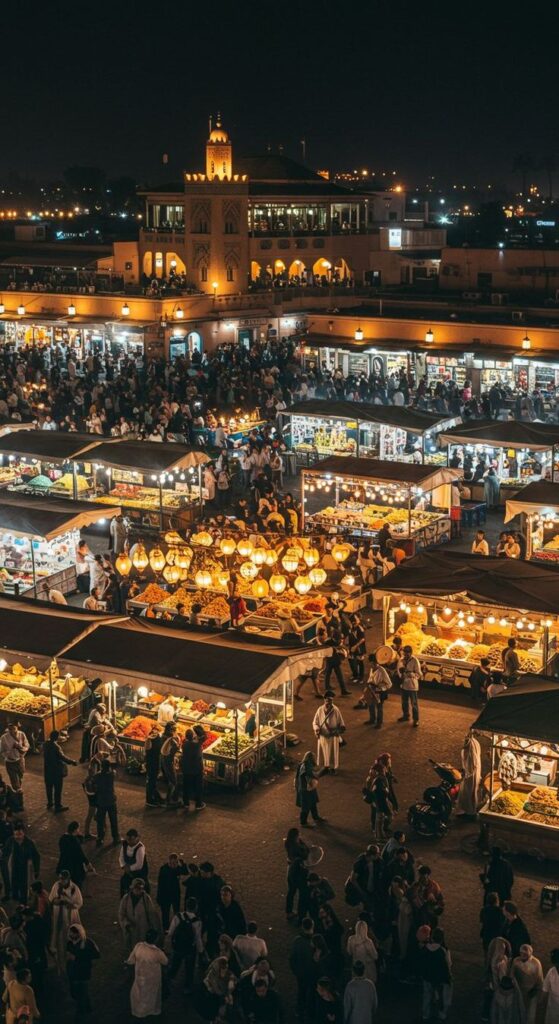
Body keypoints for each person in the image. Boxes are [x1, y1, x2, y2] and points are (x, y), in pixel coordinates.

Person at [127, 927, 168, 1019]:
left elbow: (131, 960)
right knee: (152, 995)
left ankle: (139, 1011)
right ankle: (152, 1011)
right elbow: (165, 961)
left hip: (140, 976)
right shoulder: (157, 952)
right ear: (155, 939)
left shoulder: (138, 946)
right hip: (153, 978)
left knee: (139, 994)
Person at [49, 870, 83, 972]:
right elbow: (51, 899)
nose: (60, 881)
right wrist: (58, 901)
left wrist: (70, 904)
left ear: (68, 879)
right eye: (59, 878)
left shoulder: (74, 888)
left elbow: (79, 903)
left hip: (69, 915)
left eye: (62, 879)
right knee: (57, 934)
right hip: (57, 914)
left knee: (71, 934)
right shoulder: (56, 885)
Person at [168, 895, 204, 991]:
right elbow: (197, 938)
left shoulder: (178, 916)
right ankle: (187, 988)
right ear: (196, 907)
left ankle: (167, 981)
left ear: (186, 906)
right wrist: (201, 951)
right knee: (189, 969)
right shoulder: (197, 921)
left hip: (178, 946)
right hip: (190, 949)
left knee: (174, 965)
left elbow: (171, 932)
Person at [418, 926, 453, 1022]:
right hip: (439, 978)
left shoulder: (425, 949)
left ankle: (425, 1014)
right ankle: (442, 1014)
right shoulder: (443, 951)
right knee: (441, 997)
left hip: (427, 976)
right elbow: (448, 965)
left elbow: (421, 962)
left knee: (427, 995)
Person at [118, 878, 161, 955]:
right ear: (132, 888)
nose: (138, 890)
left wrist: (155, 929)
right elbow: (121, 914)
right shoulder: (126, 899)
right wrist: (126, 924)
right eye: (136, 888)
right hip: (130, 930)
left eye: (140, 888)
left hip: (143, 930)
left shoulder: (146, 899)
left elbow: (152, 915)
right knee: (132, 950)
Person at [66, 923, 100, 1017]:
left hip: (83, 971)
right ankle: (88, 1008)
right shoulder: (70, 943)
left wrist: (78, 957)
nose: (71, 935)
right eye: (70, 932)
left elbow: (96, 955)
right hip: (72, 971)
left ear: (78, 933)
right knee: (76, 992)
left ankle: (81, 1011)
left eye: (73, 933)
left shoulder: (87, 943)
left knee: (81, 991)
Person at [1, 823, 40, 902]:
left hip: (24, 867)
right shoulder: (10, 841)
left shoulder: (29, 843)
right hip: (13, 866)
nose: (17, 837)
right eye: (16, 834)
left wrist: (36, 870)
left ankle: (23, 899)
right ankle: (12, 895)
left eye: (20, 834)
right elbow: (5, 852)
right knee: (12, 881)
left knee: (24, 884)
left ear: (24, 833)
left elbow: (36, 856)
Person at [43, 729, 77, 812]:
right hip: (56, 771)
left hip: (47, 770)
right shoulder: (56, 747)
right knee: (58, 789)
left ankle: (50, 803)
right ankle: (58, 806)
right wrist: (72, 761)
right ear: (56, 737)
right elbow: (62, 757)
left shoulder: (45, 744)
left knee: (49, 788)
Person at [289, 918, 315, 1019]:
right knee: (313, 991)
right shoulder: (315, 940)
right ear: (312, 926)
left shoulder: (297, 941)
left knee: (302, 991)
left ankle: (300, 1010)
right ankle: (311, 1012)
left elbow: (292, 958)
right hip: (313, 972)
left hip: (301, 973)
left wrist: (296, 971)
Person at [313, 692, 345, 774]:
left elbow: (341, 724)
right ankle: (326, 766)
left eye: (330, 701)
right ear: (324, 700)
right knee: (324, 751)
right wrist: (317, 729)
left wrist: (337, 731)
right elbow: (315, 722)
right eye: (327, 701)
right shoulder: (320, 710)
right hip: (323, 735)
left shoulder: (336, 710)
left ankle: (333, 768)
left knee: (333, 753)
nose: (329, 703)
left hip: (333, 736)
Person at [156, 852, 187, 932]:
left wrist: (183, 863)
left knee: (176, 913)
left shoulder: (177, 868)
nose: (173, 865)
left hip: (175, 895)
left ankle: (176, 928)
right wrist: (159, 897)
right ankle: (166, 929)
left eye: (175, 863)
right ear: (168, 862)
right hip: (165, 896)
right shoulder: (164, 870)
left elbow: (186, 871)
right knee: (165, 914)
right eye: (172, 863)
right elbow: (160, 885)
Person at [512, 945, 543, 1024]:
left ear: (530, 953)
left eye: (525, 954)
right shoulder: (516, 961)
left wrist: (535, 991)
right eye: (521, 953)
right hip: (518, 991)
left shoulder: (536, 963)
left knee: (530, 1015)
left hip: (531, 993)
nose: (522, 955)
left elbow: (540, 980)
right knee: (518, 1012)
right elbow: (511, 976)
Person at [91, 759, 120, 846]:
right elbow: (114, 770)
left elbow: (92, 783)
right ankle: (115, 837)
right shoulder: (111, 775)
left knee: (100, 821)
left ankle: (100, 838)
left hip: (101, 801)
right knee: (113, 820)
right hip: (111, 801)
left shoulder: (97, 776)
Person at [56, 821, 92, 887]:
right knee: (77, 883)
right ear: (75, 829)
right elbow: (80, 853)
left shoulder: (62, 838)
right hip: (74, 866)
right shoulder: (74, 840)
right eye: (78, 829)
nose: (79, 830)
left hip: (64, 863)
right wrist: (87, 863)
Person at [343, 959, 378, 1024]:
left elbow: (347, 1006)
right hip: (367, 1018)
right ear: (364, 970)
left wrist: (344, 1020)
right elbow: (374, 1003)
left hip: (354, 1019)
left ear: (353, 971)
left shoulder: (350, 986)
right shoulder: (370, 984)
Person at [362, 653, 392, 728]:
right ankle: (372, 719)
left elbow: (389, 684)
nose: (371, 665)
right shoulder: (372, 669)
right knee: (371, 705)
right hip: (372, 690)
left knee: (379, 707)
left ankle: (379, 723)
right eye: (371, 663)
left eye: (372, 663)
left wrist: (380, 688)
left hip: (380, 692)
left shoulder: (382, 670)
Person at [295, 750, 324, 827]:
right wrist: (322, 772)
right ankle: (303, 822)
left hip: (305, 788)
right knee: (306, 806)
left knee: (312, 803)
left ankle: (315, 817)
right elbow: (312, 775)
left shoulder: (303, 765)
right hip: (306, 789)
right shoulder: (306, 766)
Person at [0, 723, 30, 793]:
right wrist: (8, 754)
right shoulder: (3, 737)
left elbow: (27, 744)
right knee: (13, 778)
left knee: (20, 776)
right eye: (10, 729)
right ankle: (18, 790)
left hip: (20, 760)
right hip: (10, 762)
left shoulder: (21, 734)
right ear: (8, 729)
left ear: (17, 728)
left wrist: (22, 749)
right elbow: (2, 751)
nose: (12, 731)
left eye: (14, 729)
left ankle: (18, 789)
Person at [181, 727, 206, 811]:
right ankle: (198, 804)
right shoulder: (197, 745)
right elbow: (204, 737)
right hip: (196, 769)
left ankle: (186, 803)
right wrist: (198, 729)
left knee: (186, 786)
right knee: (198, 787)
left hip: (186, 769)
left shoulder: (184, 745)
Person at [119, 828, 149, 896]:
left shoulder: (140, 848)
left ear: (136, 839)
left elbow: (139, 865)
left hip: (139, 874)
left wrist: (129, 868)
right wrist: (123, 866)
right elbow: (121, 857)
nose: (129, 842)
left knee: (141, 890)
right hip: (128, 872)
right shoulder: (124, 845)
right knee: (124, 884)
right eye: (128, 839)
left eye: (131, 840)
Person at [398, 645, 422, 726]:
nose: (406, 655)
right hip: (404, 684)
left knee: (414, 704)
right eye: (405, 653)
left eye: (408, 653)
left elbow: (419, 674)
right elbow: (399, 670)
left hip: (412, 686)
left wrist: (411, 674)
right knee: (404, 702)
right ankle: (406, 716)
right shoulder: (401, 660)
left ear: (411, 653)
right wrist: (401, 675)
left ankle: (416, 720)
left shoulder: (415, 660)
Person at [145, 724, 164, 807]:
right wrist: (149, 739)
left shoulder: (158, 738)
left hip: (156, 762)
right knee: (151, 781)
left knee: (153, 781)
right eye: (153, 731)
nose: (155, 732)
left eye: (156, 730)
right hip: (151, 763)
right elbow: (147, 747)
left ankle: (156, 796)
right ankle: (149, 800)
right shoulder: (149, 741)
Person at [543, 948, 559, 1024]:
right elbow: (545, 989)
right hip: (552, 1006)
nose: (557, 966)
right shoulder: (551, 971)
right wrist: (542, 1002)